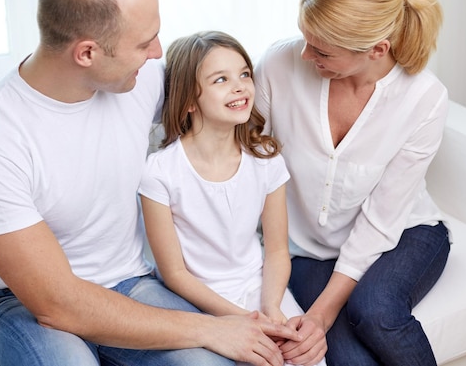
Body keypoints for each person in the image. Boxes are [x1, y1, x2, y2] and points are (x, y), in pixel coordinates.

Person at [0, 0, 300, 366]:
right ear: (86, 53)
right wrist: (213, 327)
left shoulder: (140, 78)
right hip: (25, 307)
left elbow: (215, 89)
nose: (157, 53)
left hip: (131, 283)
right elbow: (57, 303)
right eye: (143, 41)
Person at [253, 0, 450, 366]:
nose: (306, 55)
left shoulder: (423, 98)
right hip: (308, 247)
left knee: (374, 312)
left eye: (322, 50)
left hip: (403, 232)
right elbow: (248, 158)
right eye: (305, 38)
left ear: (377, 49)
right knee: (347, 358)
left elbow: (382, 218)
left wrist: (322, 313)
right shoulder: (278, 65)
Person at [138, 31, 327, 366]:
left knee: (302, 358)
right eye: (221, 79)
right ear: (190, 100)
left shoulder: (266, 159)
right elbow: (174, 274)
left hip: (262, 289)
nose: (240, 86)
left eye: (244, 74)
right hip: (198, 302)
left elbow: (278, 250)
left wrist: (270, 309)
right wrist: (243, 320)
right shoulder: (159, 172)